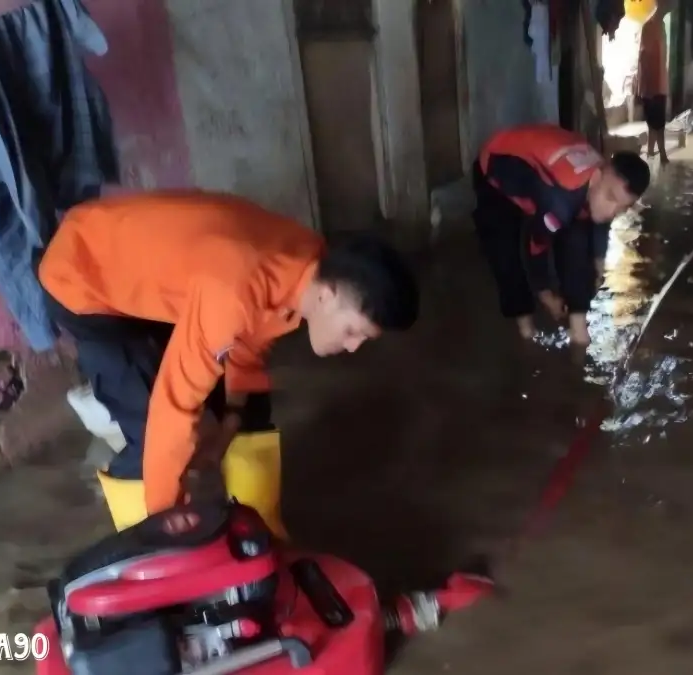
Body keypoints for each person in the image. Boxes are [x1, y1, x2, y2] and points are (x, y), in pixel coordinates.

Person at [38, 190, 419, 515]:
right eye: (352, 331)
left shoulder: (308, 264)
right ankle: (150, 556)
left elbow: (251, 341)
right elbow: (174, 406)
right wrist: (165, 518)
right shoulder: (234, 290)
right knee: (151, 433)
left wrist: (229, 422)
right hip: (84, 278)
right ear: (327, 296)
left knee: (249, 403)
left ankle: (256, 530)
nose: (352, 347)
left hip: (163, 280)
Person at [472, 124, 650, 345]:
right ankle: (526, 330)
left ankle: (578, 329)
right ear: (597, 176)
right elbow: (535, 246)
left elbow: (599, 225)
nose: (611, 211)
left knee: (577, 237)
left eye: (622, 208)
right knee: (506, 254)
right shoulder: (560, 201)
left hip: (542, 168)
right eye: (611, 198)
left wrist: (597, 262)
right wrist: (546, 295)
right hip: (496, 164)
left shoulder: (602, 183)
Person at [636, 10, 670, 164]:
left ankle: (651, 152)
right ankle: (662, 155)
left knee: (654, 122)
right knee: (658, 123)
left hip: (659, 83)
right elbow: (644, 58)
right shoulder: (649, 27)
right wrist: (643, 88)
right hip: (652, 85)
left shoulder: (660, 25)